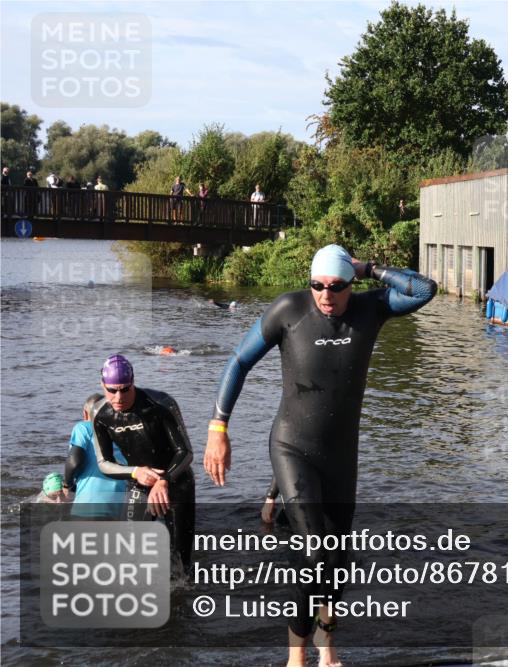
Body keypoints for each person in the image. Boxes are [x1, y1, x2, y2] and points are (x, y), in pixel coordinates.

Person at [203, 244, 436, 667]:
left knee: (335, 565)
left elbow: (423, 289)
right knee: (313, 555)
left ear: (350, 283)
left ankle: (328, 654)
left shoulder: (371, 309)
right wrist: (218, 428)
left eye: (335, 286)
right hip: (292, 446)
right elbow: (238, 362)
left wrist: (368, 268)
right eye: (317, 285)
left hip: (340, 457)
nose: (325, 295)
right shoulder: (289, 310)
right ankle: (297, 658)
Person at [91, 354, 196, 574]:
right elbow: (104, 463)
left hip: (176, 482)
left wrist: (164, 481)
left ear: (133, 382)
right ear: (102, 385)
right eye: (112, 390)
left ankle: (182, 602)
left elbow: (185, 452)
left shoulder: (160, 404)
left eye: (125, 389)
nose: (118, 397)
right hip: (139, 483)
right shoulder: (100, 414)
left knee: (181, 561)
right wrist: (135, 472)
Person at [64, 393, 127, 519]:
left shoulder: (84, 427)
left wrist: (67, 485)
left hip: (87, 507)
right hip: (117, 509)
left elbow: (74, 461)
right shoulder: (124, 431)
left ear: (85, 414)